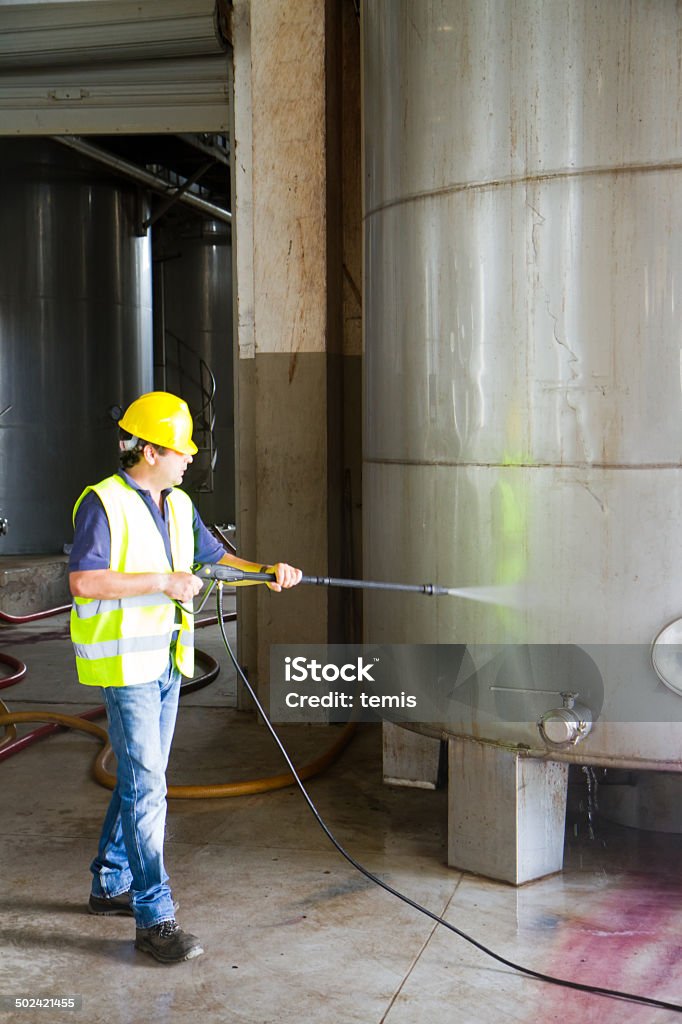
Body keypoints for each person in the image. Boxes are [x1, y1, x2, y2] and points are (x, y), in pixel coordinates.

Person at [68, 391, 301, 964]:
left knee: (142, 780)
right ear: (149, 451)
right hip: (125, 668)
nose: (191, 456)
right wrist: (163, 582)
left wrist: (266, 572)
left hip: (167, 664)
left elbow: (214, 559)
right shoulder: (104, 502)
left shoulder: (178, 505)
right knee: (148, 787)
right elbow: (84, 582)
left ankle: (109, 883)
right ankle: (154, 918)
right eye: (181, 449)